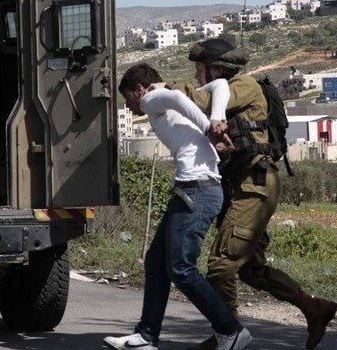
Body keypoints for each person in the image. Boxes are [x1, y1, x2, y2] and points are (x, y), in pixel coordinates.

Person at [170, 39, 337, 350]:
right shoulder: (229, 88)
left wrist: (165, 88)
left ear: (217, 70)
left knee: (221, 266)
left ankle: (228, 333)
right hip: (242, 185)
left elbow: (203, 102)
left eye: (200, 70)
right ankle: (313, 307)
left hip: (255, 183)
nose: (197, 77)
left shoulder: (243, 85)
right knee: (250, 268)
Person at [103, 63, 251, 350]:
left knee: (180, 268)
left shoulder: (152, 98)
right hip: (193, 189)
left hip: (198, 189)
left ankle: (230, 331)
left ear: (139, 89)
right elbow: (220, 85)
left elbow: (178, 100)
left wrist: (211, 129)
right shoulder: (177, 93)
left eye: (128, 98)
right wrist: (217, 118)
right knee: (157, 263)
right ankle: (146, 336)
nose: (130, 106)